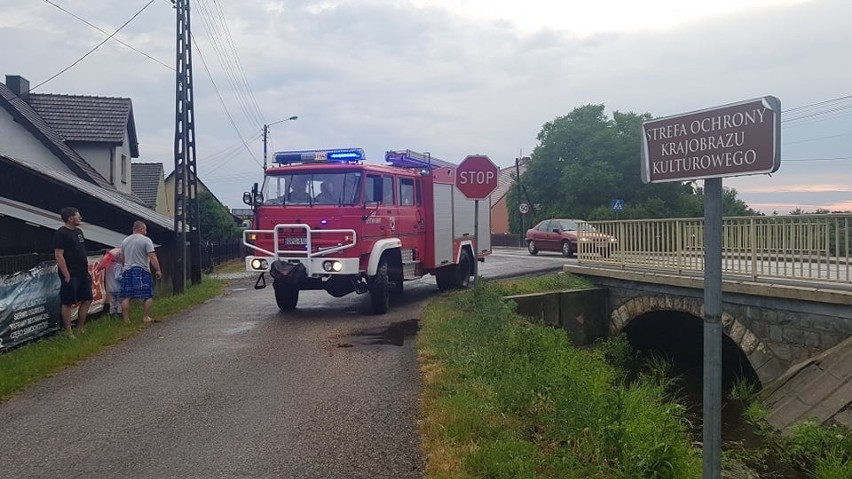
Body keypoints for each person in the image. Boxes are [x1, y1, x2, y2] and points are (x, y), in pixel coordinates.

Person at [53, 207, 92, 337]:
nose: (80, 218)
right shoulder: (61, 233)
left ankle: (80, 328)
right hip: (71, 273)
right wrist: (66, 274)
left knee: (87, 299)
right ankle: (69, 331)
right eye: (78, 216)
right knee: (68, 301)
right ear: (70, 218)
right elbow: (59, 255)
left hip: (82, 272)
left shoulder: (79, 232)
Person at [119, 220, 162, 323]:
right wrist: (158, 270)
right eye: (145, 230)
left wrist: (124, 266)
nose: (146, 232)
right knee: (148, 294)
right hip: (142, 269)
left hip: (127, 269)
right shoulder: (146, 240)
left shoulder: (125, 241)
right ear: (141, 229)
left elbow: (122, 257)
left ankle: (126, 319)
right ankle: (145, 317)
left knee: (126, 296)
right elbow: (152, 256)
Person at [96, 248, 123, 320]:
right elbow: (118, 277)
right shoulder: (118, 266)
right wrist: (124, 278)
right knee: (119, 302)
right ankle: (119, 314)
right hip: (118, 287)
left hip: (110, 288)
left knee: (112, 302)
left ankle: (112, 314)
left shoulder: (108, 266)